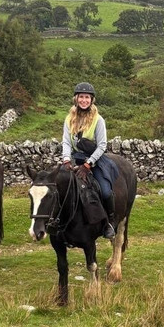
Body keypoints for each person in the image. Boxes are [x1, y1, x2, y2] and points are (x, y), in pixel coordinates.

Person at [62, 82, 117, 239]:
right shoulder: (68, 118)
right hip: (74, 158)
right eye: (81, 97)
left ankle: (109, 222)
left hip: (94, 159)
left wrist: (88, 164)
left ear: (91, 100)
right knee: (57, 185)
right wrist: (66, 161)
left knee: (105, 191)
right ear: (76, 98)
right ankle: (59, 222)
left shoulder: (98, 120)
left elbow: (102, 146)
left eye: (87, 97)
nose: (84, 100)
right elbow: (66, 142)